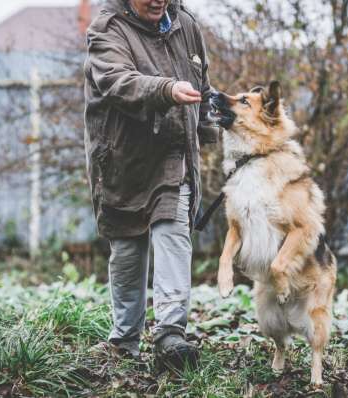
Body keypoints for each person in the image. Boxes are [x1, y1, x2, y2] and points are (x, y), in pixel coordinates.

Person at [83, 0, 220, 369]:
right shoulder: (107, 29)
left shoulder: (185, 24)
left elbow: (202, 84)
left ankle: (170, 335)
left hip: (174, 154)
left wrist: (209, 130)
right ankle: (124, 340)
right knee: (128, 252)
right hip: (123, 160)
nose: (158, 0)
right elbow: (116, 81)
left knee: (173, 231)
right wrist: (166, 90)